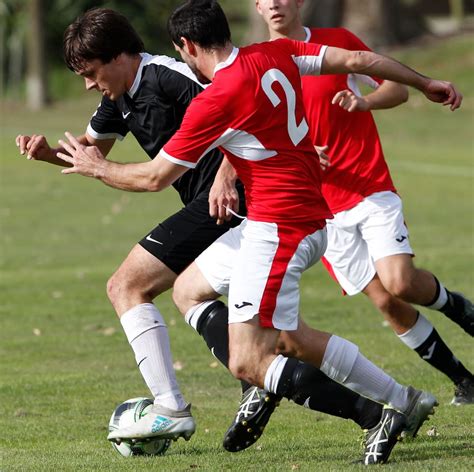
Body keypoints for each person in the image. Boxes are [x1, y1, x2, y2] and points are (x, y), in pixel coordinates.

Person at [56, 0, 463, 464]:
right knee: (199, 294)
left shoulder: (216, 98)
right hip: (292, 218)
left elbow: (153, 178)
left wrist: (97, 167)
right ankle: (405, 400)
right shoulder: (275, 54)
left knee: (247, 361)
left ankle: (374, 416)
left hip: (281, 227)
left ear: (186, 46)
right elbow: (359, 61)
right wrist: (425, 81)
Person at [211, 0, 474, 453]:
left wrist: (362, 101)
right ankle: (464, 380)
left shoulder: (337, 45)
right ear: (256, 7)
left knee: (401, 281)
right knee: (387, 305)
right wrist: (225, 175)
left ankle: (463, 312)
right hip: (319, 209)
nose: (273, 4)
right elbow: (241, 129)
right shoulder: (257, 61)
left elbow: (398, 90)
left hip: (368, 186)